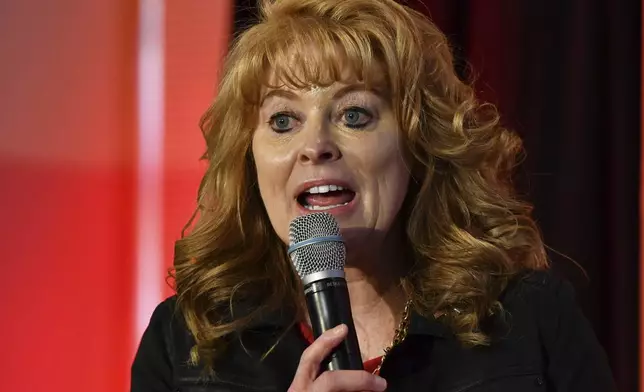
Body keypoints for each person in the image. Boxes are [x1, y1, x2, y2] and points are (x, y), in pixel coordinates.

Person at [131, 0, 617, 391]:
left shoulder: (528, 320)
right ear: (248, 157)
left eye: (354, 115)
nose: (315, 146)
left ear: (419, 144)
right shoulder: (187, 344)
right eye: (283, 121)